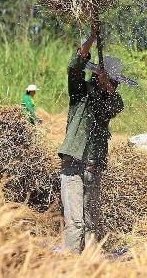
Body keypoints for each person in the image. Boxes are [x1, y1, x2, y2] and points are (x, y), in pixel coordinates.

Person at [57, 22, 134, 254]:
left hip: (93, 167)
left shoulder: (110, 102)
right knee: (76, 224)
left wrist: (107, 87)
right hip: (73, 167)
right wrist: (92, 37)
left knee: (91, 224)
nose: (115, 86)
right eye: (113, 81)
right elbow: (74, 66)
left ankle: (91, 268)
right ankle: (69, 267)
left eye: (114, 83)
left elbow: (116, 104)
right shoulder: (80, 91)